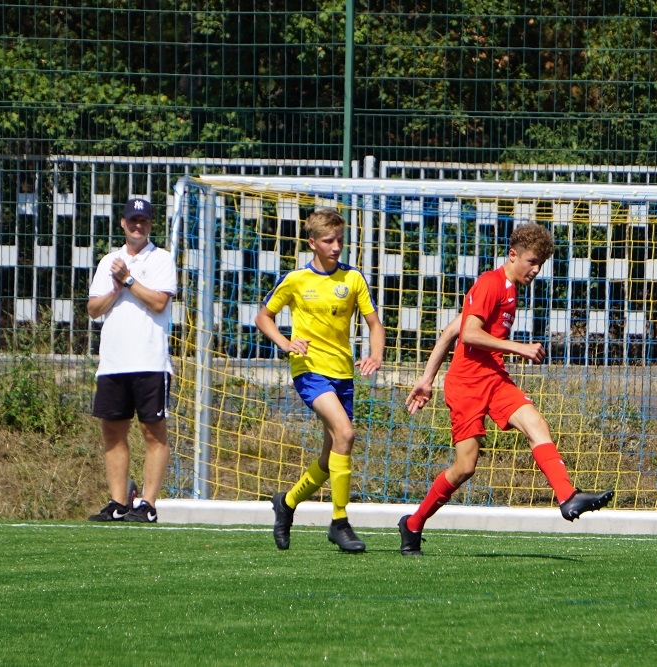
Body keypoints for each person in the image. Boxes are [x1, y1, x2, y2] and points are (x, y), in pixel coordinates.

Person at [399, 223, 613, 556]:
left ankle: (567, 496)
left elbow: (449, 332)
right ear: (512, 255)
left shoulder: (511, 289)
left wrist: (426, 380)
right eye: (531, 261)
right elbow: (468, 334)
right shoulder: (490, 284)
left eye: (540, 263)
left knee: (536, 424)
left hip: (494, 378)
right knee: (465, 467)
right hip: (467, 385)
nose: (536, 269)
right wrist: (520, 347)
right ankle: (413, 523)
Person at [255, 208, 385, 553]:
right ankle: (340, 523)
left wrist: (376, 355)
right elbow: (263, 316)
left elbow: (375, 325)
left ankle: (287, 502)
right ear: (312, 243)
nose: (336, 246)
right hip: (309, 371)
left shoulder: (353, 279)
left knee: (332, 457)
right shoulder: (296, 280)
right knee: (346, 434)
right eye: (328, 240)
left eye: (340, 240)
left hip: (343, 374)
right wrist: (285, 343)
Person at [87, 198, 177, 524]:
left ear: (151, 224)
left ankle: (148, 504)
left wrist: (128, 281)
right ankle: (117, 502)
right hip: (113, 362)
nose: (138, 226)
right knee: (113, 433)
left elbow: (158, 302)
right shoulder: (109, 261)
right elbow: (94, 309)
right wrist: (114, 288)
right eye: (132, 220)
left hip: (150, 360)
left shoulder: (161, 259)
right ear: (123, 223)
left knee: (153, 433)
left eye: (144, 221)